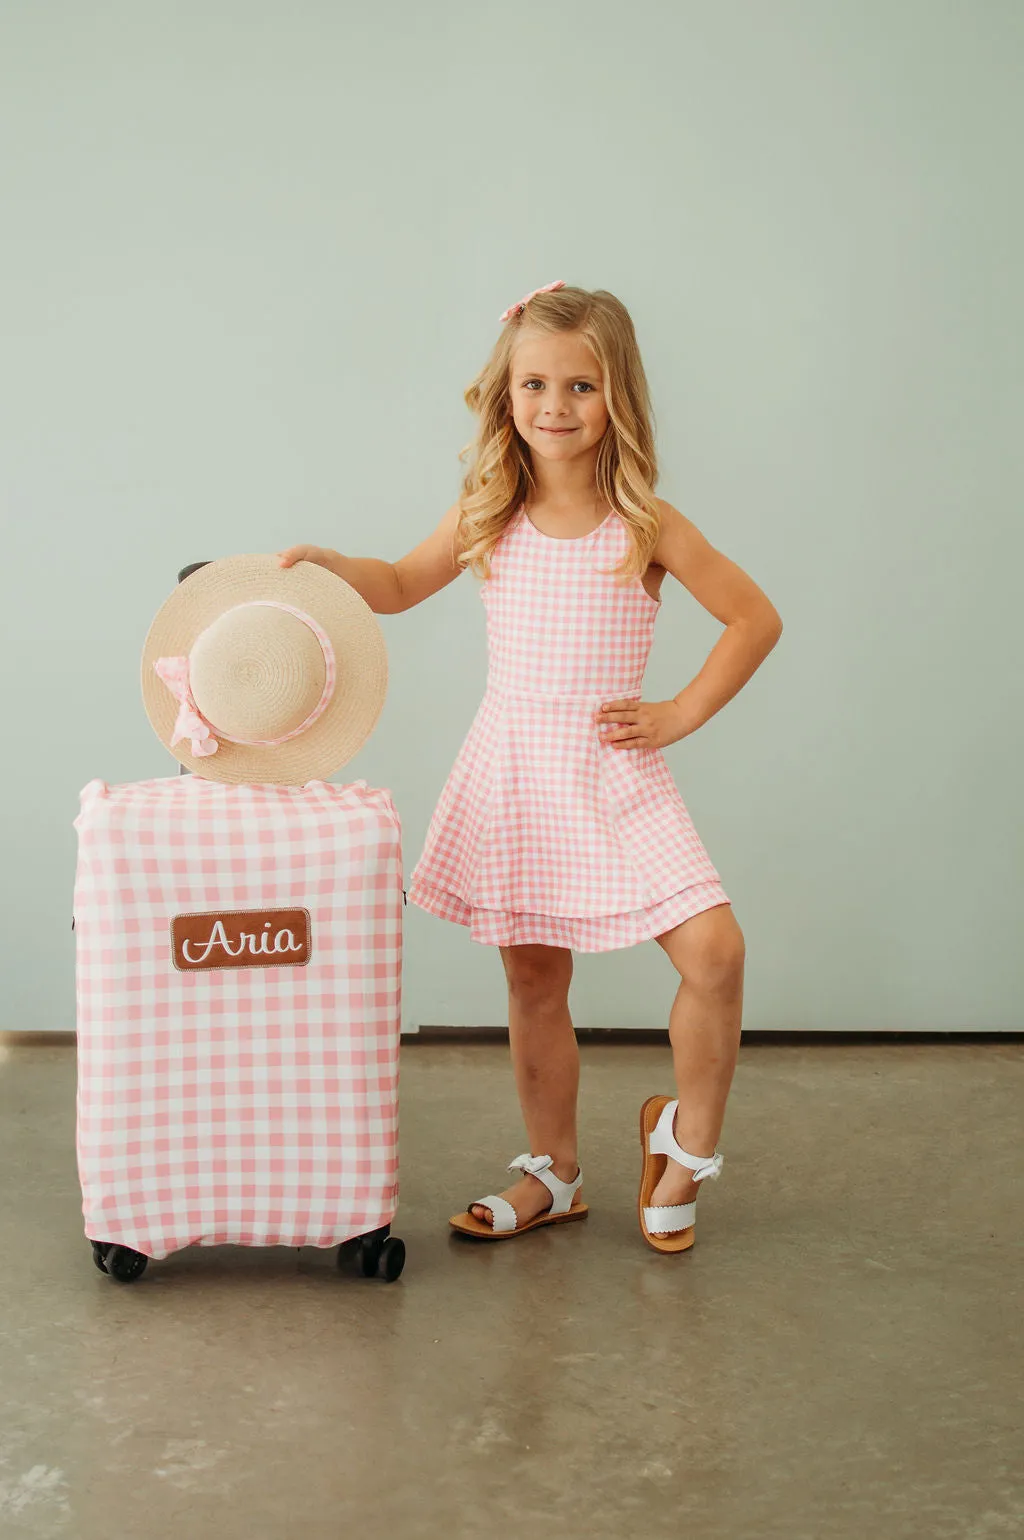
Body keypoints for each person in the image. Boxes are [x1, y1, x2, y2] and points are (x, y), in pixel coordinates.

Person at [278, 280, 782, 1254]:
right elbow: (396, 583)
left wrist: (678, 710)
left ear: (617, 395)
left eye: (581, 385)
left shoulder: (648, 525)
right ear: (504, 396)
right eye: (535, 384)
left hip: (614, 778)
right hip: (516, 775)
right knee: (534, 984)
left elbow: (753, 617)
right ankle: (553, 1171)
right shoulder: (487, 512)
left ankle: (685, 1144)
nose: (555, 406)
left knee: (716, 954)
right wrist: (339, 566)